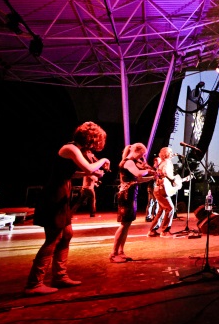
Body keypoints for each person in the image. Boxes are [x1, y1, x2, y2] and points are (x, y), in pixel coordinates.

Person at [25, 121, 110, 295]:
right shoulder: (70, 148)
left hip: (63, 192)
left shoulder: (75, 150)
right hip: (54, 194)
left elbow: (74, 172)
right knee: (53, 238)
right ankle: (34, 283)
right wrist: (102, 161)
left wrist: (93, 172)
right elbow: (87, 167)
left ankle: (59, 276)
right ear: (91, 138)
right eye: (97, 141)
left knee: (67, 234)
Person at [111, 143, 155, 263]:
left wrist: (152, 177)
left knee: (127, 225)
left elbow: (138, 179)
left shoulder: (131, 163)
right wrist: (148, 169)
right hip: (126, 195)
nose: (142, 158)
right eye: (142, 155)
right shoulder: (128, 162)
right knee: (124, 225)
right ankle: (113, 253)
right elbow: (139, 174)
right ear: (137, 151)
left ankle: (121, 251)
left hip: (130, 194)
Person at [147, 147, 178, 237]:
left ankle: (152, 230)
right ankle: (165, 231)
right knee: (170, 208)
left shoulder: (163, 162)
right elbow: (165, 173)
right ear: (167, 154)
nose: (172, 153)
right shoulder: (167, 162)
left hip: (158, 189)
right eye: (170, 152)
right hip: (162, 189)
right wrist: (173, 180)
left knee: (161, 210)